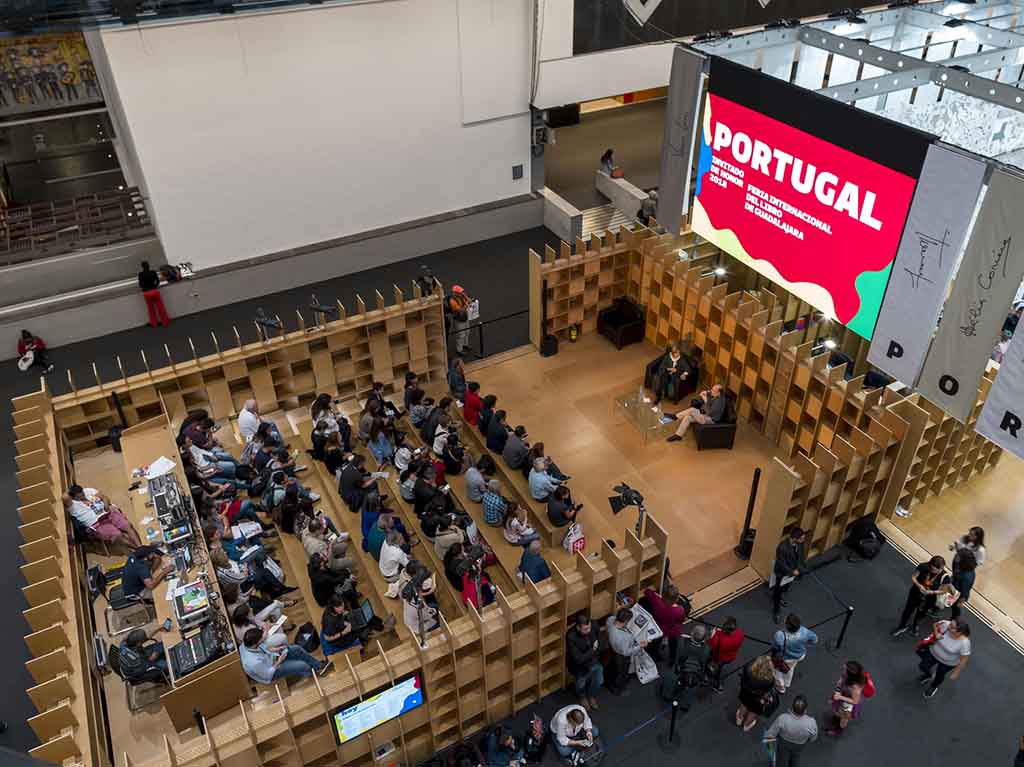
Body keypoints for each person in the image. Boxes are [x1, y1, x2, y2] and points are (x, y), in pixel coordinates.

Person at [239, 627, 330, 683]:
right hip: (271, 671)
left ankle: (318, 666)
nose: (264, 638)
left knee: (296, 649)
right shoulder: (254, 662)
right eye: (262, 638)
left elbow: (264, 647)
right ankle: (313, 674)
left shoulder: (247, 644)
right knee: (302, 665)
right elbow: (267, 674)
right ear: (255, 642)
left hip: (271, 659)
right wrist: (279, 661)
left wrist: (275, 649)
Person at [64, 484, 140, 548]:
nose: (83, 497)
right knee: (118, 535)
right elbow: (64, 497)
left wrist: (107, 506)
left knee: (127, 526)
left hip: (108, 513)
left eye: (82, 494)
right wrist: (70, 490)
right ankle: (137, 549)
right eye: (79, 497)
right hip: (97, 524)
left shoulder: (88, 491)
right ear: (73, 497)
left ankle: (140, 547)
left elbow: (104, 497)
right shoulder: (72, 505)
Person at [891, 555, 946, 637]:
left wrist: (931, 592)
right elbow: (913, 577)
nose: (939, 571)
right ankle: (901, 626)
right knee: (908, 611)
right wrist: (919, 586)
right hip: (915, 593)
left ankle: (915, 625)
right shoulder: (923, 567)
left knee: (921, 614)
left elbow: (944, 590)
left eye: (941, 569)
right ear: (930, 566)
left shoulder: (944, 576)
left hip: (929, 599)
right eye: (936, 570)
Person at [918, 618, 971, 699]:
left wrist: (956, 672)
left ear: (959, 632)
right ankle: (929, 675)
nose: (949, 626)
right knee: (923, 666)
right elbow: (935, 625)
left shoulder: (964, 643)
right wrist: (936, 633)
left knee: (939, 675)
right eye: (950, 624)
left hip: (948, 663)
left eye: (952, 627)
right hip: (933, 653)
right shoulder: (946, 624)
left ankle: (933, 686)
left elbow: (964, 659)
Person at [764, 694, 818, 766]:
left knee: (782, 759)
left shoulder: (783, 718)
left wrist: (768, 737)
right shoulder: (811, 723)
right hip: (799, 745)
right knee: (796, 757)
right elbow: (813, 738)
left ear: (792, 708)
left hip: (784, 742)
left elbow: (771, 734)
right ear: (805, 710)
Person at [772, 614, 817, 693]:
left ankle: (781, 687)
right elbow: (815, 640)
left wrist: (773, 657)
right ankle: (787, 683)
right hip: (799, 656)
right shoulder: (804, 631)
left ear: (786, 625)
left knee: (778, 671)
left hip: (786, 658)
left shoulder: (780, 635)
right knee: (790, 668)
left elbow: (775, 648)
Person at [566, 613, 603, 709]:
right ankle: (582, 697)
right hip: (580, 666)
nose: (589, 630)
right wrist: (593, 650)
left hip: (594, 661)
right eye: (585, 629)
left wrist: (595, 652)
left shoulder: (594, 624)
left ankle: (591, 696)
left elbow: (599, 640)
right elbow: (578, 659)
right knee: (580, 683)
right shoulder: (571, 636)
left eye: (589, 627)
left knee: (599, 680)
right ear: (578, 628)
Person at [644, 584, 687, 665]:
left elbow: (647, 592)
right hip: (672, 630)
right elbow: (681, 620)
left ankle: (655, 656)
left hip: (659, 628)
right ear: (677, 598)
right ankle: (672, 660)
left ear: (663, 595)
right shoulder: (680, 610)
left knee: (656, 644)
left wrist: (650, 589)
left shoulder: (657, 601)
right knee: (673, 645)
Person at [606, 607, 646, 694]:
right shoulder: (624, 637)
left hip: (612, 650)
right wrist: (640, 646)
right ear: (625, 621)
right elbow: (627, 652)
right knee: (621, 672)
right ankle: (618, 689)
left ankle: (611, 683)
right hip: (621, 656)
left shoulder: (610, 620)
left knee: (613, 669)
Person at [771, 527, 806, 624]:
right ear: (795, 538)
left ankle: (779, 596)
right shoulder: (782, 547)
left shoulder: (800, 544)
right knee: (778, 590)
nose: (803, 540)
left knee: (785, 587)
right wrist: (792, 572)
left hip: (792, 572)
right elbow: (781, 563)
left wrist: (798, 569)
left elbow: (800, 557)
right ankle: (776, 610)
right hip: (782, 573)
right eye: (802, 538)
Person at [736, 655, 777, 732]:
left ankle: (739, 719)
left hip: (745, 693)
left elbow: (742, 680)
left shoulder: (748, 669)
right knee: (753, 711)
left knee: (744, 704)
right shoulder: (769, 680)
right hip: (758, 699)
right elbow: (768, 691)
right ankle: (747, 725)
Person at [675, 624, 711, 710]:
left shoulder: (682, 642)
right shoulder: (706, 649)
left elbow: (679, 656)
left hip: (680, 669)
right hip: (695, 674)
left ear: (692, 634)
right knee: (690, 690)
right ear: (704, 639)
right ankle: (685, 705)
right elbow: (704, 662)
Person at [826, 660, 865, 736]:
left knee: (843, 720)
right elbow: (841, 682)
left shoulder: (856, 688)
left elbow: (855, 701)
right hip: (842, 697)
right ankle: (837, 717)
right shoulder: (847, 676)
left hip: (848, 706)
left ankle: (839, 730)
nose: (843, 668)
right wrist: (840, 683)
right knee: (837, 712)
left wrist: (840, 697)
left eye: (845, 669)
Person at [647, 344, 692, 409]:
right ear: (673, 353)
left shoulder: (681, 359)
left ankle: (675, 399)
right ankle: (658, 397)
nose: (679, 354)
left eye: (679, 352)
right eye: (677, 353)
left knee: (676, 383)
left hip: (676, 375)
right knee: (661, 382)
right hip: (666, 374)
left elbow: (688, 369)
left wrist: (684, 374)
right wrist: (669, 369)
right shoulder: (667, 358)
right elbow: (661, 368)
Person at [708, 616, 745, 693]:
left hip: (719, 658)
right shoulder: (740, 634)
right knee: (720, 667)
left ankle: (718, 685)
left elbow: (711, 646)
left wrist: (713, 634)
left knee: (718, 670)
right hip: (731, 656)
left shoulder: (719, 637)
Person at [138, 261, 169, 327]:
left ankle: (154, 323)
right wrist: (155, 286)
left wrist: (144, 288)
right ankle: (165, 322)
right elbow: (157, 281)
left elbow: (141, 284)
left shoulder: (140, 274)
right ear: (149, 266)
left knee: (151, 309)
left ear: (142, 267)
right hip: (154, 291)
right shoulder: (153, 272)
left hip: (147, 292)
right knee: (160, 307)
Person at [950, 550, 977, 620]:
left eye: (958, 556)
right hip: (954, 585)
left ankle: (955, 618)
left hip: (958, 594)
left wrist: (960, 601)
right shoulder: (958, 563)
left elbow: (964, 591)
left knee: (955, 608)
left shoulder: (967, 576)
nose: (956, 557)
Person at [447, 285, 472, 355]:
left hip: (465, 317)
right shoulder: (452, 301)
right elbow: (460, 311)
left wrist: (467, 298)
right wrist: (466, 305)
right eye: (460, 292)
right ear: (455, 293)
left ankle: (465, 344)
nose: (462, 293)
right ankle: (459, 350)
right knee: (460, 335)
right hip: (458, 320)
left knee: (467, 332)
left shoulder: (461, 296)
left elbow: (468, 300)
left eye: (462, 292)